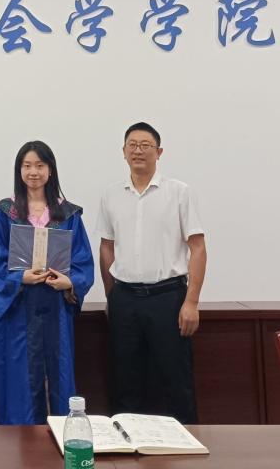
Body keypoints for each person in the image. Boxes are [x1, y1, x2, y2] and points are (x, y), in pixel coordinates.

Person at [98, 122, 207, 424]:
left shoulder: (179, 192)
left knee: (176, 380)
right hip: (125, 299)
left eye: (145, 145)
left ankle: (186, 443)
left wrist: (191, 302)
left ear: (159, 152)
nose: (138, 150)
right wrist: (112, 296)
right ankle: (127, 443)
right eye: (132, 145)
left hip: (167, 298)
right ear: (123, 152)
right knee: (125, 380)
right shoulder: (111, 195)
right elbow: (106, 247)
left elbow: (198, 248)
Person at [0, 140, 94, 425]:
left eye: (40, 165)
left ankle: (61, 436)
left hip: (55, 308)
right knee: (20, 381)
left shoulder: (68, 215)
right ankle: (20, 442)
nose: (34, 172)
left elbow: (82, 261)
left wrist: (69, 282)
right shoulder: (2, 213)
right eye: (27, 165)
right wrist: (20, 277)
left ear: (50, 170)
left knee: (59, 376)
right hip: (18, 311)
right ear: (19, 170)